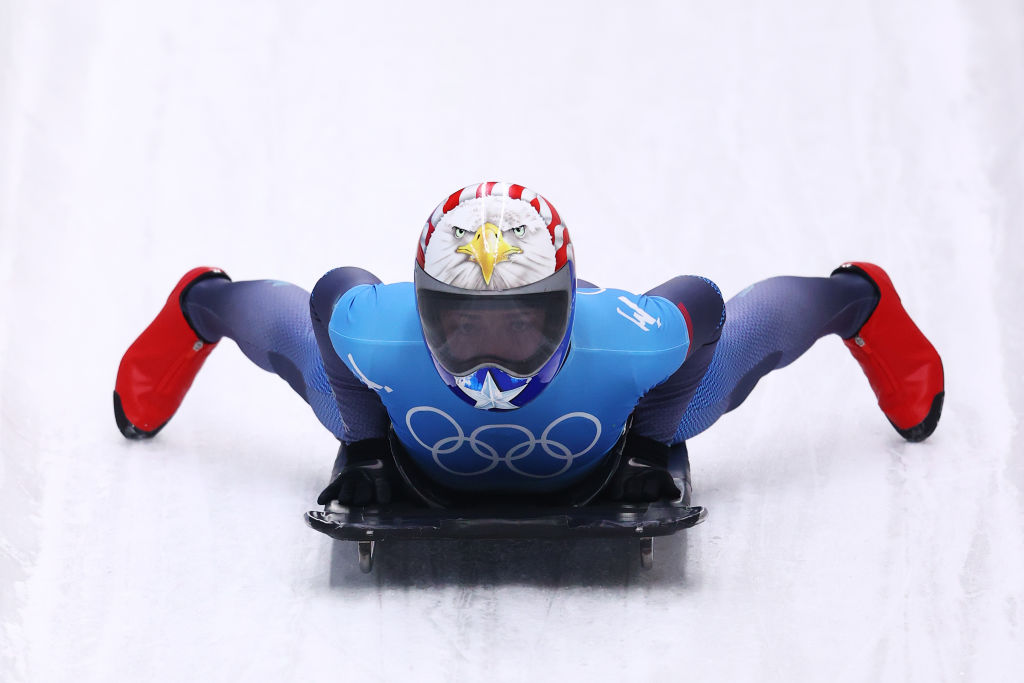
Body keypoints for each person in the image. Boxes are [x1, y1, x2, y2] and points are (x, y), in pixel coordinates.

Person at [113, 182, 944, 506]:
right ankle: (199, 303)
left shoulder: (624, 341)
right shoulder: (378, 328)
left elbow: (701, 305)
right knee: (288, 330)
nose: (489, 358)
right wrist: (365, 441)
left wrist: (653, 441)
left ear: (565, 311)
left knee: (730, 361)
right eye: (463, 325)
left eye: (519, 325)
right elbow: (333, 297)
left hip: (479, 408)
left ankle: (858, 299)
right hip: (438, 415)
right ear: (426, 312)